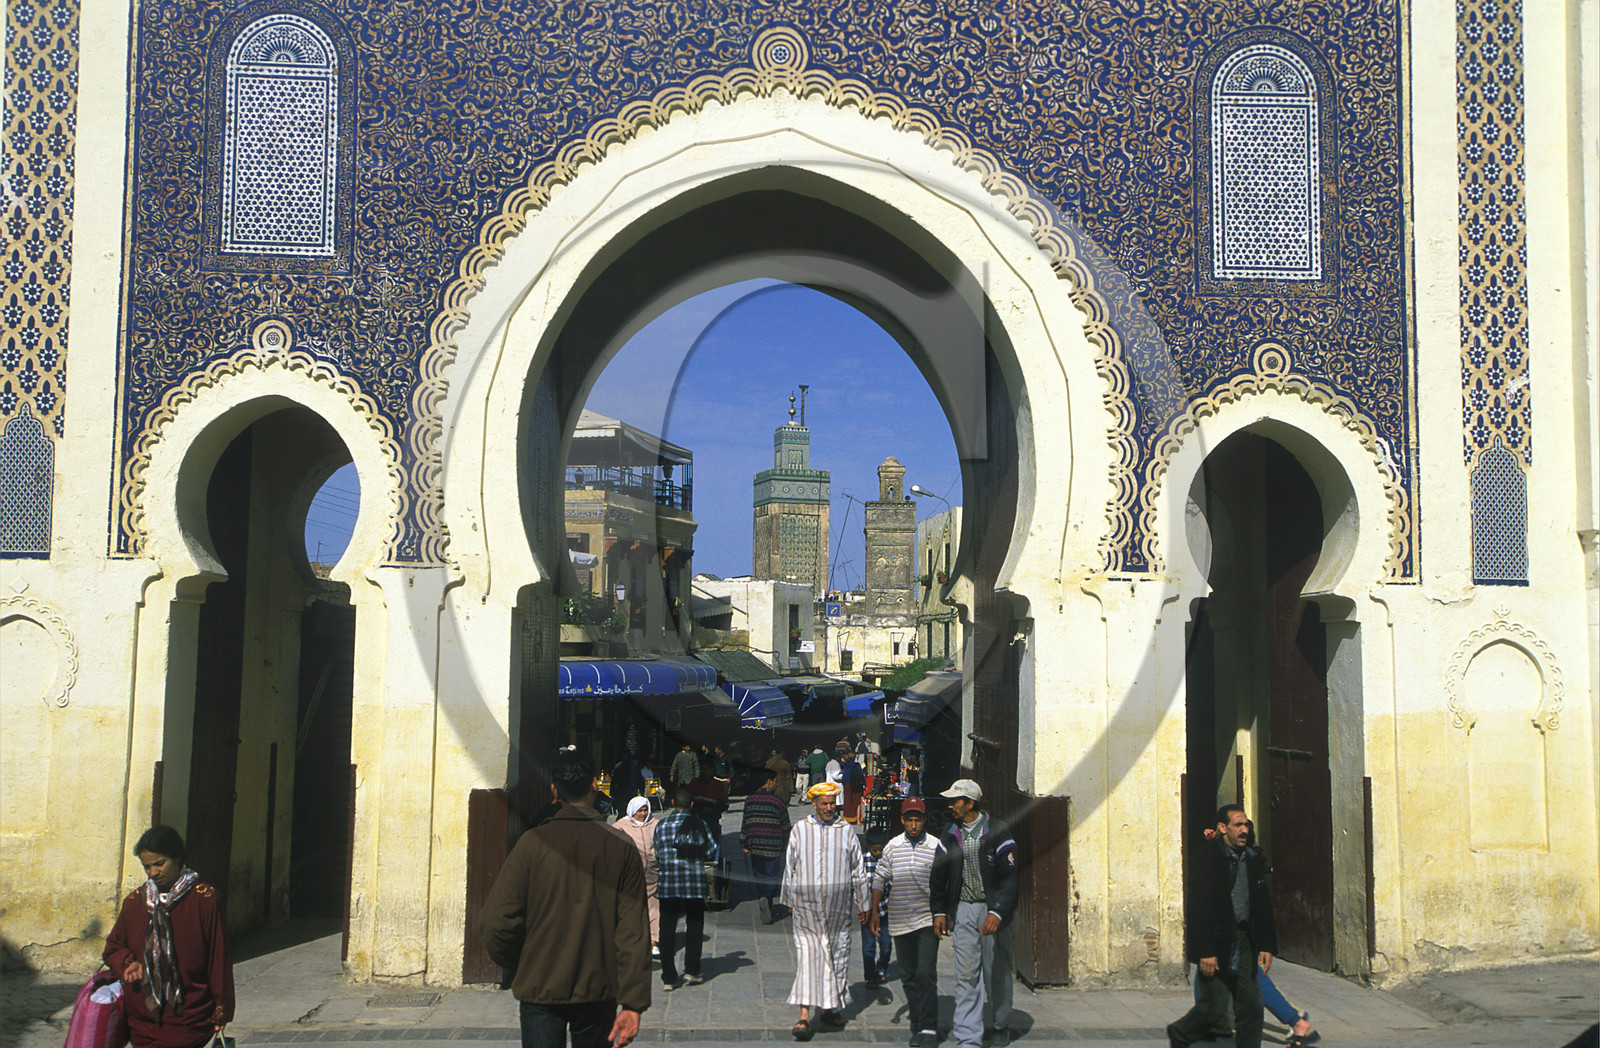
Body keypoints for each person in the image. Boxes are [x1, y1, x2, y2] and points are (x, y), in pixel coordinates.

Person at [480, 750, 649, 1048]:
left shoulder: (531, 844)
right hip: (599, 988)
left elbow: (498, 921)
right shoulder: (621, 847)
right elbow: (633, 932)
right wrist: (633, 1002)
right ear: (594, 785)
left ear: (554, 790)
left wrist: (518, 962)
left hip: (539, 984)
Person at [104, 826, 234, 1048]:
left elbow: (218, 958)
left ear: (177, 857)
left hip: (187, 1018)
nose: (153, 872)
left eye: (159, 863)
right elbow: (113, 948)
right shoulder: (135, 903)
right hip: (141, 1020)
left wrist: (220, 1011)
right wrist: (128, 963)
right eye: (147, 866)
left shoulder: (204, 900)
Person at [1166, 804, 1279, 1048]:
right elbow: (1199, 908)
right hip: (1217, 941)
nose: (1244, 830)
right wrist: (1206, 950)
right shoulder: (1207, 858)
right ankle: (1180, 1034)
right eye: (1238, 825)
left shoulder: (1252, 858)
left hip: (1245, 940)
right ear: (1222, 828)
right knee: (1214, 1009)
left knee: (1251, 1007)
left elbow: (1262, 905)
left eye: (1246, 824)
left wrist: (1267, 944)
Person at [930, 779, 1018, 1048]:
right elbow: (938, 874)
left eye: (955, 800)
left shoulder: (997, 831)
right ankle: (969, 1038)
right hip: (965, 910)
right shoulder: (950, 833)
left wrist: (998, 911)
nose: (950, 804)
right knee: (966, 975)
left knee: (996, 972)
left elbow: (1010, 878)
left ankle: (1001, 1023)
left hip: (992, 913)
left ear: (970, 803)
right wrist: (939, 911)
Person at [781, 782, 870, 1041]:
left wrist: (863, 904)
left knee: (837, 957)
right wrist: (788, 898)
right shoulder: (800, 830)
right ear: (815, 804)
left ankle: (829, 1010)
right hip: (806, 909)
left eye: (832, 803)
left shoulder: (846, 831)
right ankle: (804, 1016)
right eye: (824, 804)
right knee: (809, 957)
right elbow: (790, 866)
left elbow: (858, 869)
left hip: (839, 910)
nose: (829, 808)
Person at [869, 798, 945, 1048]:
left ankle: (930, 1027)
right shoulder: (892, 846)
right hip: (899, 921)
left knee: (926, 973)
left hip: (926, 920)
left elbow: (945, 881)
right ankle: (917, 1026)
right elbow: (880, 878)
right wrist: (874, 912)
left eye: (918, 820)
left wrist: (942, 913)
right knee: (908, 975)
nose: (913, 825)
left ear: (924, 820)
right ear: (902, 820)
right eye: (909, 820)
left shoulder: (935, 846)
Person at [652, 787, 720, 991]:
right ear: (691, 804)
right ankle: (692, 969)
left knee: (667, 930)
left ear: (673, 802)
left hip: (668, 885)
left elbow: (656, 852)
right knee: (695, 927)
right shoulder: (699, 824)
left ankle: (669, 977)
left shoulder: (662, 825)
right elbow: (711, 850)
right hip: (694, 885)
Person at [611, 796, 662, 958]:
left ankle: (654, 941)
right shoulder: (620, 826)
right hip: (632, 875)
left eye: (645, 810)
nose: (643, 813)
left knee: (655, 908)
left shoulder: (655, 824)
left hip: (653, 873)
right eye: (639, 810)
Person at [740, 768, 792, 924]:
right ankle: (767, 898)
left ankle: (764, 899)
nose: (776, 784)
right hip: (773, 845)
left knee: (760, 875)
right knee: (772, 875)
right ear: (769, 782)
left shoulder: (749, 800)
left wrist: (744, 841)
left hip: (755, 844)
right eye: (775, 781)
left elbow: (745, 822)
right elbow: (785, 825)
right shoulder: (778, 801)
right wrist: (787, 842)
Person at [859, 830, 892, 987]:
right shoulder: (862, 862)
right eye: (875, 850)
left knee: (886, 944)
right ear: (868, 847)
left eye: (881, 849)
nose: (878, 853)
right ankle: (870, 975)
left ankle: (882, 969)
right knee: (868, 947)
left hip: (885, 912)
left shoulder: (889, 861)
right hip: (867, 913)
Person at [839, 750, 866, 824]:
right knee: (857, 803)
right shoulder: (857, 765)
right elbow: (861, 775)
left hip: (848, 785)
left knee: (848, 802)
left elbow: (844, 778)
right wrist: (864, 784)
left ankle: (848, 818)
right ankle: (858, 821)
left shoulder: (846, 766)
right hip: (857, 785)